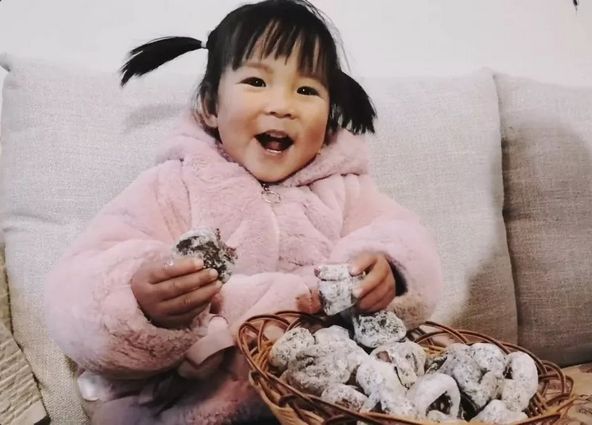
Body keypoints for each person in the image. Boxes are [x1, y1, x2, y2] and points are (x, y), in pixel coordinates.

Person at [45, 0, 443, 423]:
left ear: (329, 118)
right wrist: (139, 301)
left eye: (306, 90)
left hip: (314, 404)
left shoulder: (346, 190)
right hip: (186, 403)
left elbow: (404, 241)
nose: (283, 105)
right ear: (211, 106)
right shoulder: (172, 185)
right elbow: (76, 286)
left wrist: (390, 275)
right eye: (256, 81)